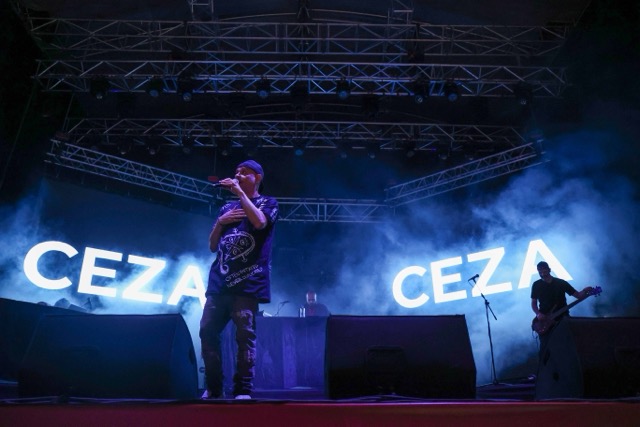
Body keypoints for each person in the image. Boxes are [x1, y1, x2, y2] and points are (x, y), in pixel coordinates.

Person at [199, 160, 278, 400]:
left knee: (244, 337)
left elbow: (260, 222)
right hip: (219, 283)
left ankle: (243, 389)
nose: (238, 175)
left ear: (258, 177)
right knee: (207, 332)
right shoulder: (227, 208)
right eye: (236, 172)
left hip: (247, 283)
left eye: (244, 172)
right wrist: (220, 222)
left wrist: (240, 193)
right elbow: (212, 246)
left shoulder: (268, 203)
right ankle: (214, 388)